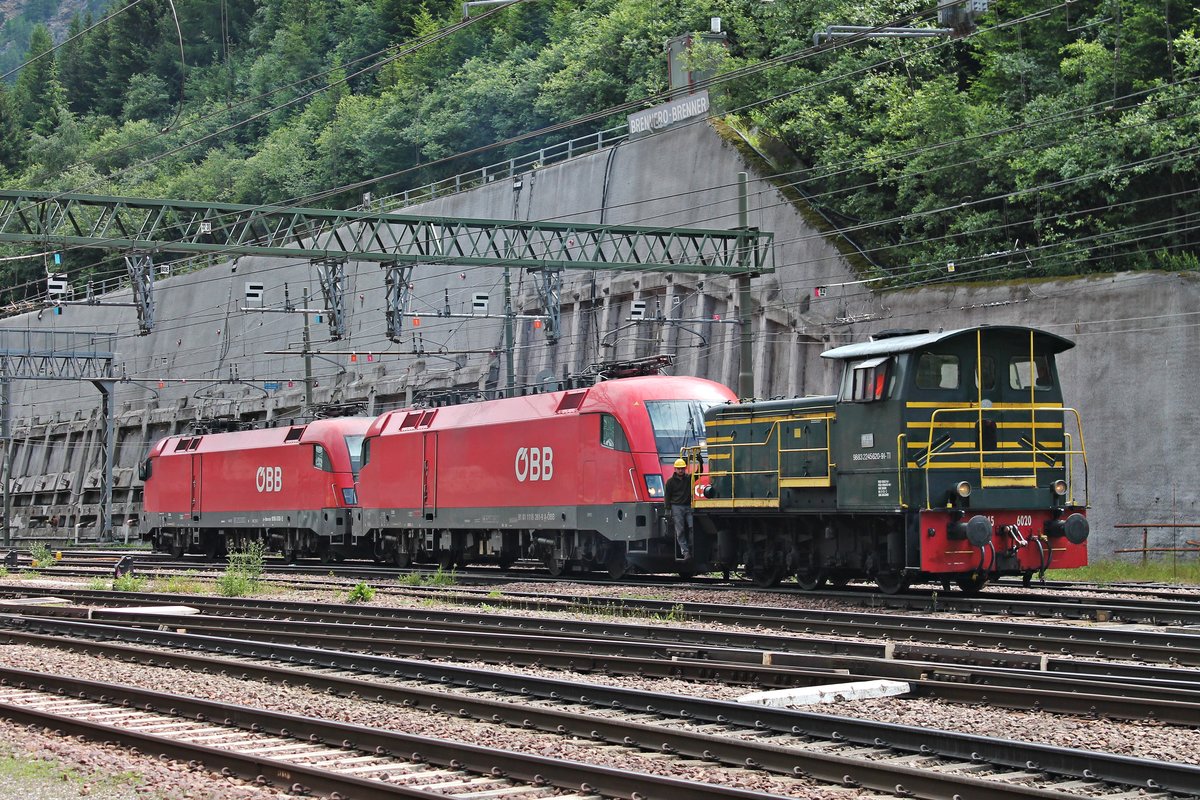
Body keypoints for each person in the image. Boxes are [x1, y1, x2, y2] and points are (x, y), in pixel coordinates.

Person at [664, 457, 693, 559]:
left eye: (682, 468)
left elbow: (699, 474)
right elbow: (667, 496)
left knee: (692, 527)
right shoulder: (670, 482)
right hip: (676, 507)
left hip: (688, 506)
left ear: (685, 469)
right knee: (680, 530)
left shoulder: (689, 479)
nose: (680, 470)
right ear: (675, 469)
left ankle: (690, 547)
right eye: (678, 468)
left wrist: (700, 463)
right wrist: (667, 509)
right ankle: (685, 552)